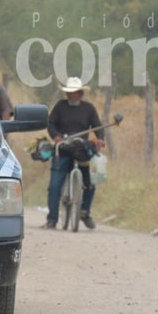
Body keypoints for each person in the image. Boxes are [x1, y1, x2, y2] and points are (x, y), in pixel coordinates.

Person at [45, 76, 104, 230]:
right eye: (69, 93)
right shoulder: (60, 107)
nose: (72, 95)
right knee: (55, 185)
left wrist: (100, 139)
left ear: (80, 93)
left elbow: (98, 126)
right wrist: (56, 137)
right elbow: (51, 124)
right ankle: (52, 219)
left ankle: (84, 212)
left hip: (82, 149)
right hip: (63, 148)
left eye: (75, 92)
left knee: (90, 182)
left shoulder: (89, 108)